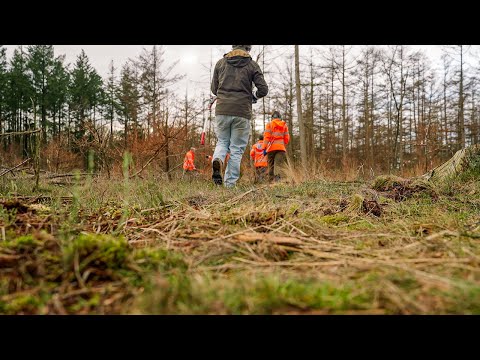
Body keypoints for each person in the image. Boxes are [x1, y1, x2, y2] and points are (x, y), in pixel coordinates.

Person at [210, 45, 269, 188]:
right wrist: (253, 96)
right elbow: (263, 89)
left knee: (222, 141)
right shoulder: (252, 65)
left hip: (222, 109)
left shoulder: (221, 63)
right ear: (247, 48)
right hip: (242, 111)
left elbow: (214, 89)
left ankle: (218, 159)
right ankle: (229, 184)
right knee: (236, 149)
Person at [263, 111, 290, 182]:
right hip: (281, 148)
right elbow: (287, 139)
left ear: (272, 118)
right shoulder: (284, 125)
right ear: (280, 117)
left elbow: (266, 137)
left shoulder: (269, 124)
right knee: (278, 164)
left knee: (271, 166)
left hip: (271, 149)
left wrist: (264, 148)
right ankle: (280, 180)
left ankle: (270, 182)